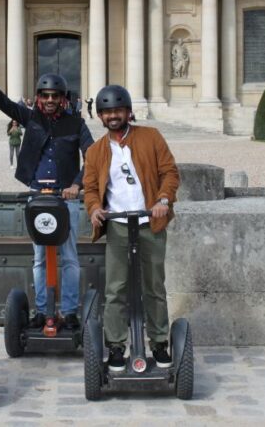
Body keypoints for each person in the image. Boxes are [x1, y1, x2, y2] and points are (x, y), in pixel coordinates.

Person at [0, 47, 93, 329]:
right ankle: (42, 310)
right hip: (38, 196)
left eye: (55, 96)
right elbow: (2, 102)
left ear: (64, 98)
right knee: (39, 257)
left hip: (67, 198)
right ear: (38, 98)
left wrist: (77, 184)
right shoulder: (31, 118)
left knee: (70, 257)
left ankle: (71, 312)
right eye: (45, 95)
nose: (50, 100)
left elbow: (94, 157)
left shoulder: (77, 124)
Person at [83, 85, 180, 373]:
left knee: (154, 286)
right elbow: (89, 189)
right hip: (118, 225)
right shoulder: (95, 150)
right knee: (115, 288)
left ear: (128, 112)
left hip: (150, 220)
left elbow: (170, 172)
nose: (113, 116)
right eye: (107, 112)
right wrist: (94, 209)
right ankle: (115, 345)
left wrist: (163, 200)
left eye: (118, 110)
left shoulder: (151, 137)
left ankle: (160, 341)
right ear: (100, 116)